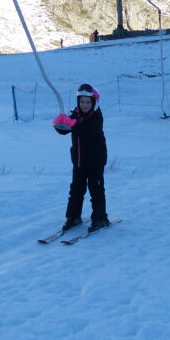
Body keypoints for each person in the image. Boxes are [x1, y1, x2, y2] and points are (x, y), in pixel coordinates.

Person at [53, 84, 110, 232]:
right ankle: (73, 217)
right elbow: (66, 130)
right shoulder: (75, 115)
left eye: (88, 102)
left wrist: (72, 124)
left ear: (93, 103)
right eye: (82, 102)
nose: (84, 105)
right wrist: (60, 124)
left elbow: (85, 131)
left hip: (95, 161)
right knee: (76, 189)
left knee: (96, 189)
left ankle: (100, 218)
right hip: (78, 161)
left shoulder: (97, 117)